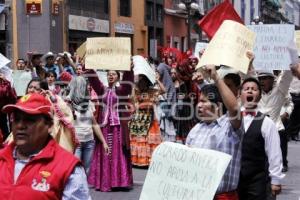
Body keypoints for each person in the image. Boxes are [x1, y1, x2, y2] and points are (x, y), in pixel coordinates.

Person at [0, 93, 91, 199]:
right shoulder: (2, 158)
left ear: (50, 125)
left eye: (30, 120)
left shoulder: (68, 168)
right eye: (16, 119)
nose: (20, 126)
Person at [186, 65, 242, 200]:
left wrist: (216, 77)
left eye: (203, 102)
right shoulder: (195, 130)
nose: (198, 105)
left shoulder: (230, 126)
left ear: (218, 105)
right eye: (199, 102)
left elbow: (234, 108)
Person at [86, 69, 134, 192]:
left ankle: (119, 181)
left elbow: (128, 83)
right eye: (109, 74)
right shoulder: (102, 90)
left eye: (113, 74)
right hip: (105, 126)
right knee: (105, 152)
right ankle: (106, 181)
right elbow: (93, 80)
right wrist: (89, 67)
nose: (110, 76)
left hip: (118, 126)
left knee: (119, 153)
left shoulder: (122, 91)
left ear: (118, 77)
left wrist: (129, 69)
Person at [238, 77, 284, 200]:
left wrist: (275, 180)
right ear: (240, 94)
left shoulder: (267, 122)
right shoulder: (231, 119)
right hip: (235, 179)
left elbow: (274, 153)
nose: (250, 91)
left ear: (259, 96)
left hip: (257, 180)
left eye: (254, 89)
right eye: (246, 89)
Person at [67, 76, 109, 174]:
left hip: (89, 142)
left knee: (86, 171)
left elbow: (94, 125)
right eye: (78, 86)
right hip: (76, 143)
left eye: (83, 86)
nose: (81, 88)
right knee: (75, 170)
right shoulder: (68, 103)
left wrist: (104, 142)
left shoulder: (89, 103)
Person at [257, 71, 293, 172]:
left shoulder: (280, 90)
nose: (262, 81)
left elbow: (287, 76)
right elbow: (247, 76)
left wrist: (286, 114)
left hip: (276, 127)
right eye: (260, 79)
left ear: (272, 80)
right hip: (259, 128)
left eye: (265, 78)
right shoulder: (256, 91)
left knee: (279, 153)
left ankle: (283, 163)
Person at [130, 74, 162, 166]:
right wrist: (134, 86)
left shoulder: (152, 91)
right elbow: (132, 99)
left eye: (143, 81)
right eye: (140, 82)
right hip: (140, 117)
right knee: (140, 139)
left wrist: (157, 80)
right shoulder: (137, 91)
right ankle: (139, 160)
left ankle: (150, 160)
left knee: (149, 139)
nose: (141, 83)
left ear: (147, 82)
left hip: (150, 117)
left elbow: (164, 90)